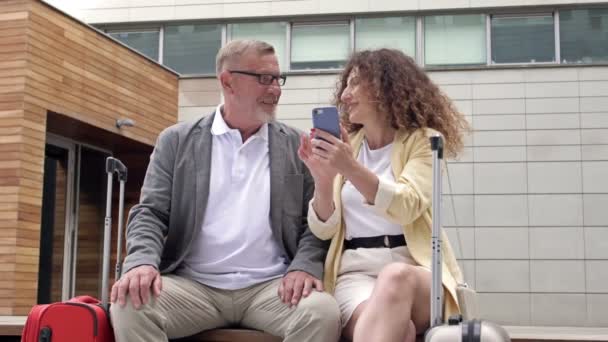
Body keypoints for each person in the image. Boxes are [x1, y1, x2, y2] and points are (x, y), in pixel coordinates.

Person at [109, 40, 341, 342]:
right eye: (264, 79)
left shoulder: (296, 145)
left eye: (277, 79)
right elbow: (150, 213)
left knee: (321, 312)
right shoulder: (176, 141)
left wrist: (304, 266)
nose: (275, 89)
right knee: (128, 303)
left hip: (273, 287)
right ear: (227, 81)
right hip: (192, 287)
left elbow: (313, 224)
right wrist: (141, 262)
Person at [298, 48, 469, 342]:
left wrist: (350, 168)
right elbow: (324, 229)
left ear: (382, 86)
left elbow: (407, 205)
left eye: (354, 84)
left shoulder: (424, 141)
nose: (344, 96)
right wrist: (323, 181)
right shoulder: (349, 145)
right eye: (346, 85)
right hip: (355, 274)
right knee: (398, 332)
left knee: (395, 276)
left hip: (416, 269)